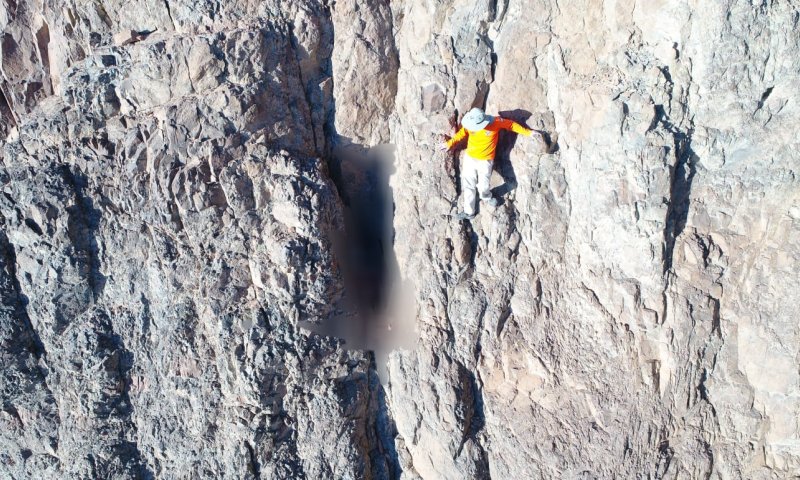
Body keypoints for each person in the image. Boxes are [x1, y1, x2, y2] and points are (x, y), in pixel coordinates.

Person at [439, 107, 540, 220]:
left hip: (485, 160)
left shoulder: (495, 122)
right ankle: (469, 212)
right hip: (470, 158)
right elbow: (462, 133)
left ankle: (486, 197)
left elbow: (511, 125)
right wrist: (450, 143)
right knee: (468, 185)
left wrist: (529, 132)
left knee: (483, 186)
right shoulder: (470, 123)